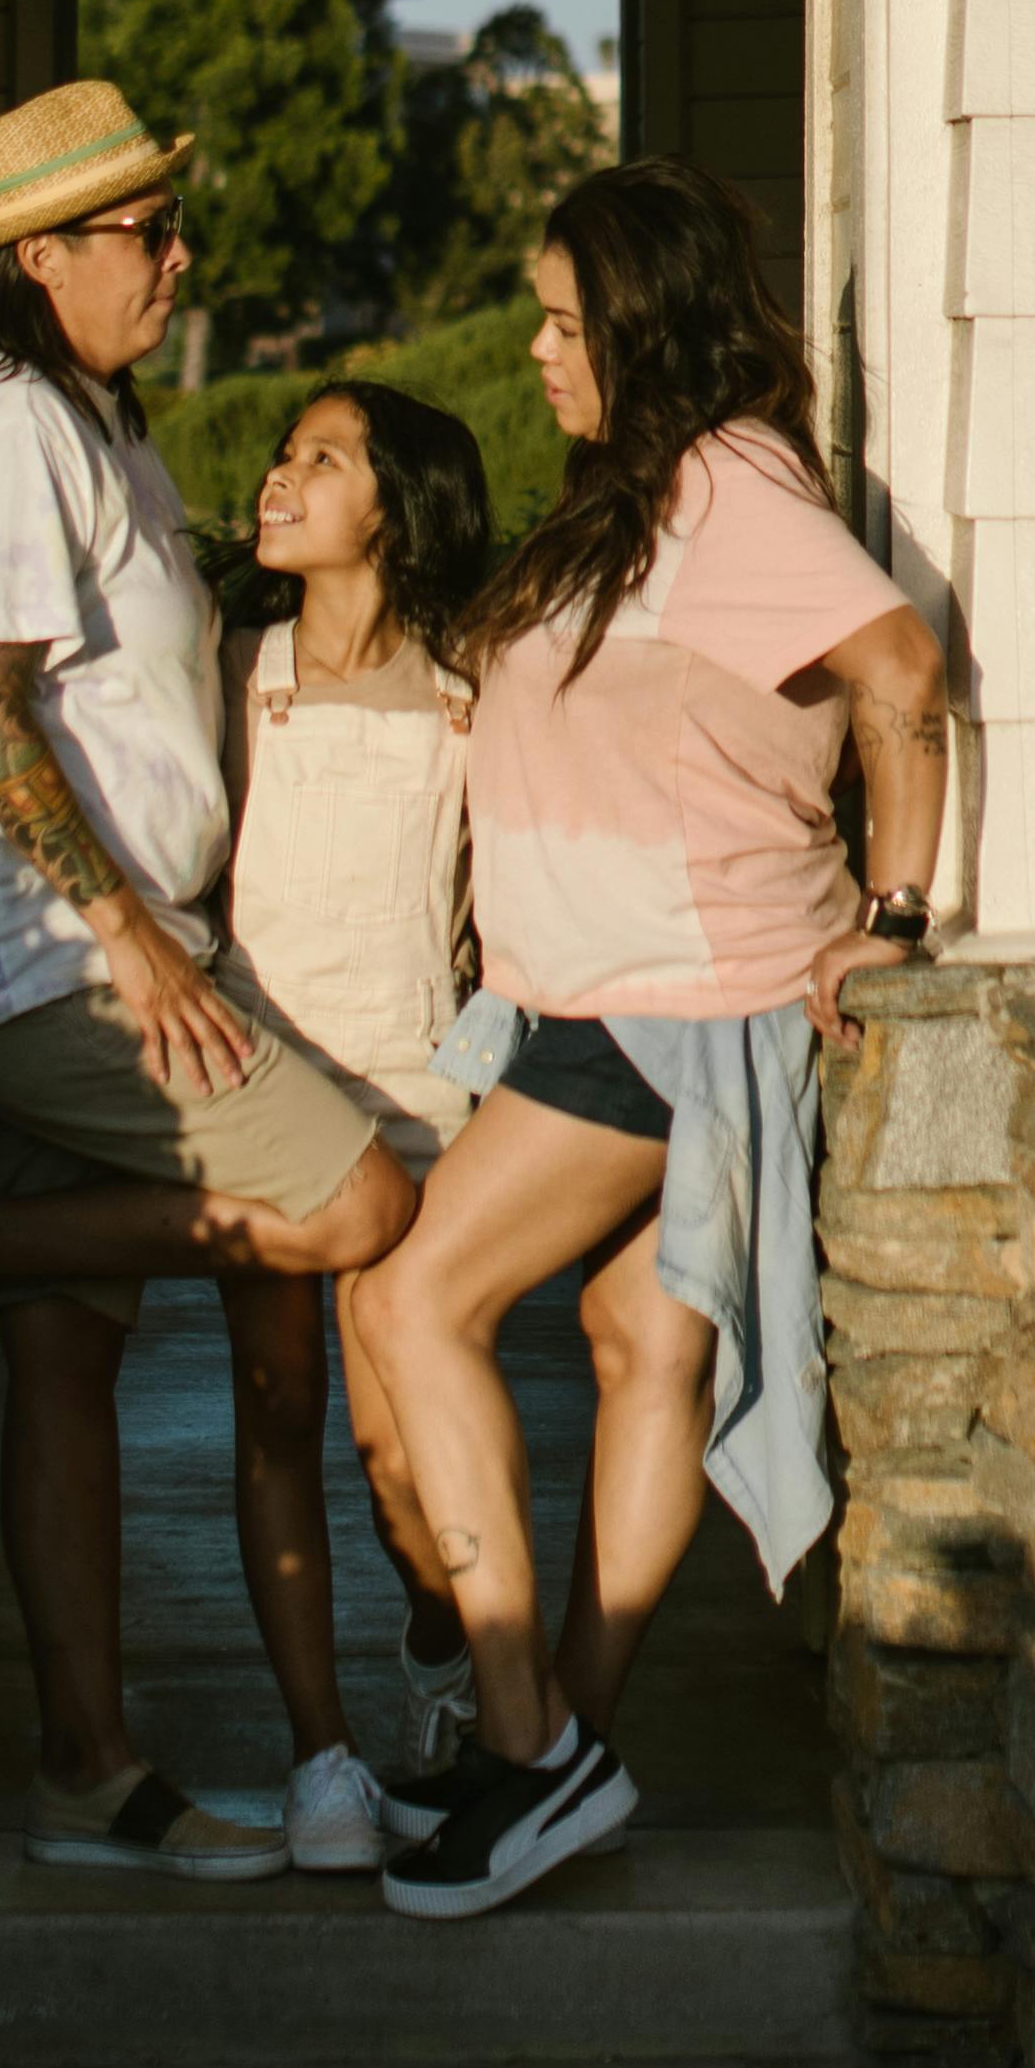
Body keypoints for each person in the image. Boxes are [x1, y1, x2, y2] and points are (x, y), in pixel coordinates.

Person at [352, 155, 953, 1926]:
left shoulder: (731, 489)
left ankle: (531, 1745)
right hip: (598, 985)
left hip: (672, 993)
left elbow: (900, 672)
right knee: (633, 1343)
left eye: (562, 321)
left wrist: (894, 919)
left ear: (644, 327)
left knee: (408, 1303)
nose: (538, 351)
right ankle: (559, 1756)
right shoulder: (646, 497)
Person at [0, 79, 420, 1886]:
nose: (176, 259)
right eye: (143, 235)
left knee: (65, 1364)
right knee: (349, 1201)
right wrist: (121, 934)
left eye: (173, 230)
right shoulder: (4, 423)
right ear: (42, 257)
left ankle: (86, 1770)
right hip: (48, 961)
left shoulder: (93, 426)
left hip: (97, 942)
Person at [205, 380, 494, 1813]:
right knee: (275, 1409)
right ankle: (320, 1754)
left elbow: (492, 918)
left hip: (407, 1106)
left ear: (398, 504)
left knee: (395, 1453)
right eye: (283, 450)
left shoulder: (463, 705)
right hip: (262, 1098)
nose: (280, 472)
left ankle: (440, 1643)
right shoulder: (232, 676)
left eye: (323, 457)